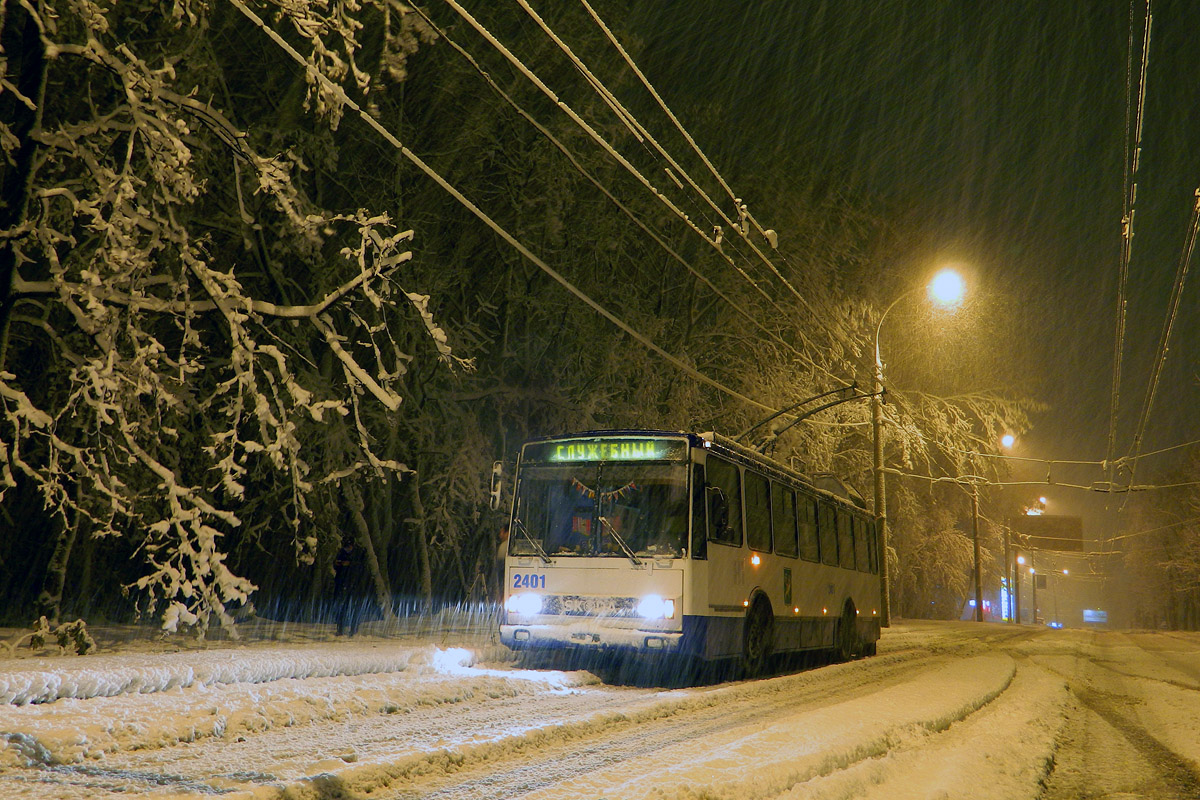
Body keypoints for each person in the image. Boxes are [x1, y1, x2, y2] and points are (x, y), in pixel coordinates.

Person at [332, 538, 365, 636]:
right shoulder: (341, 553)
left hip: (354, 584)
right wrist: (338, 564)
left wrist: (350, 565)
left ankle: (354, 629)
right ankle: (340, 628)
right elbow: (336, 566)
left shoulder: (358, 554)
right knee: (342, 608)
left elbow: (360, 567)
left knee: (355, 608)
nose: (347, 549)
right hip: (342, 584)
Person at [493, 523, 509, 604]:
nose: (500, 535)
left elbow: (500, 565)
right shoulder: (506, 546)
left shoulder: (505, 546)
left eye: (502, 532)